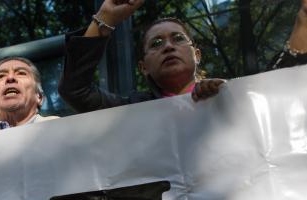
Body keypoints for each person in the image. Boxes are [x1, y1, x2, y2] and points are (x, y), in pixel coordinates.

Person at [59, 0, 307, 114]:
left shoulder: (230, 94)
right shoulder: (130, 112)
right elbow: (75, 90)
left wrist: (228, 96)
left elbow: (279, 92)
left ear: (196, 54)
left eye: (178, 39)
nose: (168, 46)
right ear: (143, 67)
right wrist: (106, 18)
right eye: (156, 43)